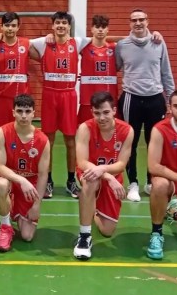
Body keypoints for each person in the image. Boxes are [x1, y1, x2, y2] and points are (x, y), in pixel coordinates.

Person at [116, 8, 175, 202]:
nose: (138, 23)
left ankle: (151, 181)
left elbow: (166, 72)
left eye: (141, 19)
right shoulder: (122, 45)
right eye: (134, 20)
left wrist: (170, 100)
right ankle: (133, 183)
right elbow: (114, 66)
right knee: (130, 142)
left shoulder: (158, 42)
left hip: (155, 99)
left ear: (147, 21)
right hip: (131, 99)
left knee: (154, 142)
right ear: (129, 23)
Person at [30, 11, 90, 199]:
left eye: (64, 23)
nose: (61, 26)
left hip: (68, 95)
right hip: (49, 95)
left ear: (69, 26)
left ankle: (71, 181)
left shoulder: (77, 42)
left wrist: (139, 37)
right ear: (53, 25)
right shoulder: (43, 43)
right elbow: (21, 44)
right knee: (47, 140)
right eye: (58, 23)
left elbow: (102, 38)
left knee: (70, 140)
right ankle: (47, 180)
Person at [73, 91, 133, 260]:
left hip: (113, 175)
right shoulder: (85, 128)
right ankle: (84, 236)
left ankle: (91, 209)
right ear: (92, 112)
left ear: (114, 110)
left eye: (106, 112)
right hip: (90, 173)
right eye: (97, 113)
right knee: (90, 183)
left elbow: (121, 164)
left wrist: (104, 171)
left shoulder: (127, 130)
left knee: (107, 231)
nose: (102, 117)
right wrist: (107, 176)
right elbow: (82, 162)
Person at [0, 94, 50, 252]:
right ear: (13, 112)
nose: (23, 116)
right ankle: (5, 227)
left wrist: (37, 205)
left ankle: (13, 208)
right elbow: (0, 167)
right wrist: (21, 181)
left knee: (27, 236)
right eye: (19, 111)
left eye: (27, 111)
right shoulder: (2, 132)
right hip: (9, 178)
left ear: (33, 113)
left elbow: (43, 175)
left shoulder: (43, 140)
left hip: (30, 184)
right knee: (1, 185)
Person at [145, 89, 177, 260]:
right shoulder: (160, 129)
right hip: (169, 179)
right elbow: (153, 166)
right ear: (169, 108)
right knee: (159, 185)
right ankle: (157, 233)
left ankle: (175, 211)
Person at [0, 12, 36, 137]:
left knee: (19, 135)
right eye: (7, 25)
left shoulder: (26, 44)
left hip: (20, 98)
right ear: (1, 27)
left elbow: (43, 55)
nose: (10, 28)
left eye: (13, 26)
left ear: (18, 27)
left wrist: (51, 35)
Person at [78, 15, 118, 124]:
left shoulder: (115, 48)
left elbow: (130, 40)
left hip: (109, 99)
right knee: (85, 129)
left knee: (110, 129)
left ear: (107, 29)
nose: (100, 30)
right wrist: (50, 35)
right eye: (97, 26)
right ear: (92, 29)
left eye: (103, 27)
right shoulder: (83, 47)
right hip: (87, 100)